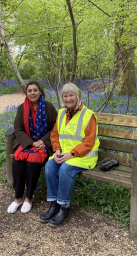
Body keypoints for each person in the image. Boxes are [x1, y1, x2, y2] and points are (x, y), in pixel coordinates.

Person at [39, 83, 99, 227]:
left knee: (65, 169)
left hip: (84, 157)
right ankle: (54, 205)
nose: (68, 99)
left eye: (71, 95)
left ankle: (64, 208)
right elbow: (54, 135)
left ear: (77, 96)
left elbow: (89, 142)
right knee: (49, 166)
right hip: (64, 155)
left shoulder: (88, 115)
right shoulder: (61, 113)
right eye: (65, 96)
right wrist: (57, 149)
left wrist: (71, 154)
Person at [7, 81, 58, 214]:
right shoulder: (22, 108)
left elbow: (55, 127)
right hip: (27, 143)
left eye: (35, 90)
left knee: (33, 163)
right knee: (17, 161)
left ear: (40, 91)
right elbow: (18, 129)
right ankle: (18, 198)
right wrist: (30, 142)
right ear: (27, 93)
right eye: (29, 91)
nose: (32, 93)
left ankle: (28, 198)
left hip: (42, 144)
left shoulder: (49, 107)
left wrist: (43, 141)